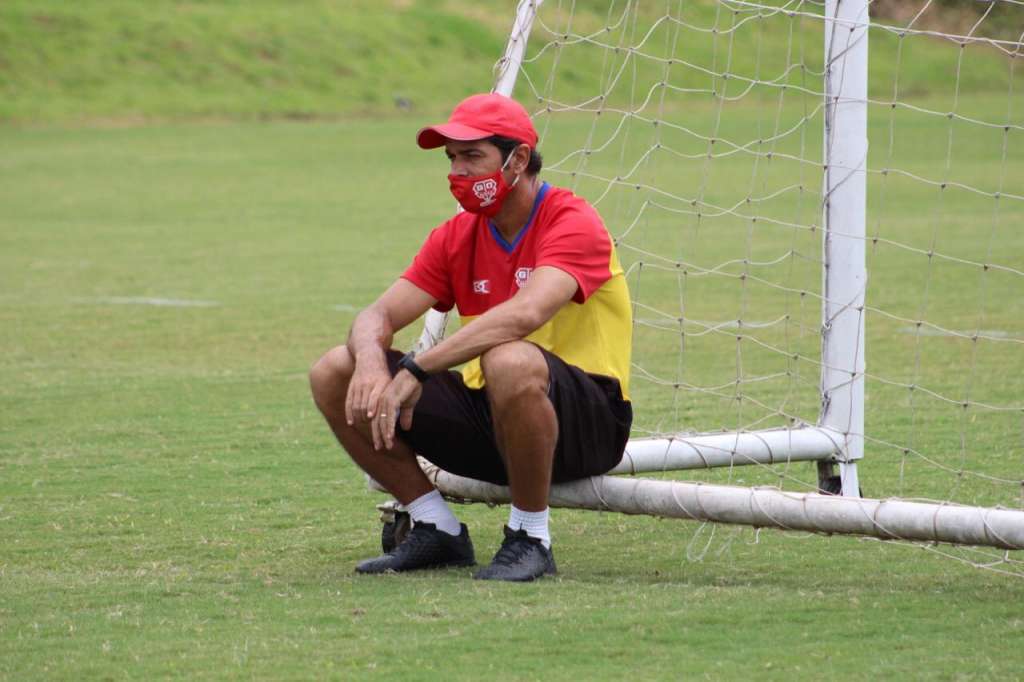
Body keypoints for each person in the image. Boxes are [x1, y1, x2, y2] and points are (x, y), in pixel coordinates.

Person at [309, 93, 633, 582]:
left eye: (472, 156)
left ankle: (530, 537)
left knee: (510, 358)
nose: (458, 172)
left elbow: (524, 314)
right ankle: (435, 527)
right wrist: (374, 363)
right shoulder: (456, 235)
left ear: (517, 159)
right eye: (452, 159)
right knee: (335, 369)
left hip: (587, 423)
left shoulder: (572, 220)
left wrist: (419, 367)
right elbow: (376, 314)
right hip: (494, 415)